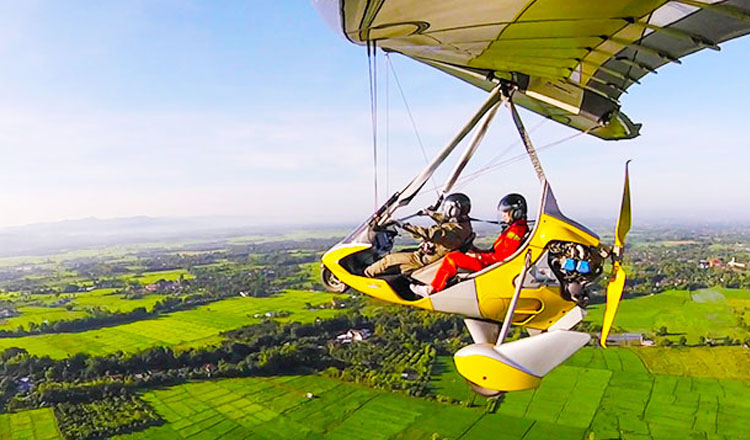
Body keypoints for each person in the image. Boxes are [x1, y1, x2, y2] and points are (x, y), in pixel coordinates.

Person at [410, 193, 529, 297]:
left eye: (506, 212)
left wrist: (478, 257)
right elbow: (497, 251)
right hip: (491, 262)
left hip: (492, 266)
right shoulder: (514, 228)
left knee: (453, 257)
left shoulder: (515, 232)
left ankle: (432, 289)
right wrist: (478, 252)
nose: (503, 216)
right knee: (458, 254)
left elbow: (502, 258)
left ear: (517, 213)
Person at [364, 193, 474, 277]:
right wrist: (430, 213)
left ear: (453, 210)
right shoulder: (463, 223)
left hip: (425, 259)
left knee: (389, 259)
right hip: (434, 255)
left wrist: (404, 226)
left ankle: (365, 274)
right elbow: (445, 220)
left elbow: (429, 234)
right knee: (402, 253)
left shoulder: (453, 231)